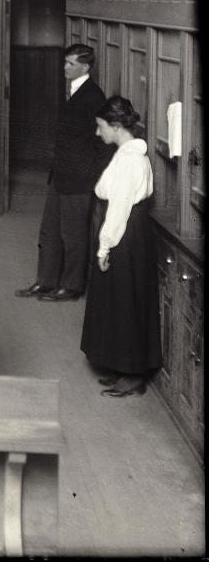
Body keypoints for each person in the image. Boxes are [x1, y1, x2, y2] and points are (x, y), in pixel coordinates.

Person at [16, 43, 109, 302]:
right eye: (65, 62)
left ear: (85, 67)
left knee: (74, 233)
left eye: (70, 64)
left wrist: (91, 175)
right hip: (60, 173)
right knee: (49, 230)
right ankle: (45, 282)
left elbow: (103, 144)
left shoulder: (93, 97)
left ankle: (71, 286)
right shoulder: (69, 90)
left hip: (79, 178)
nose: (64, 67)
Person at [81, 97, 159, 398]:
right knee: (120, 298)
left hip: (125, 233)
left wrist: (104, 247)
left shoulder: (129, 159)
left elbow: (118, 209)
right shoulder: (128, 152)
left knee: (126, 300)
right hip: (131, 230)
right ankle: (122, 366)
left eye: (101, 127)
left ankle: (133, 373)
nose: (98, 133)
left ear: (116, 126)